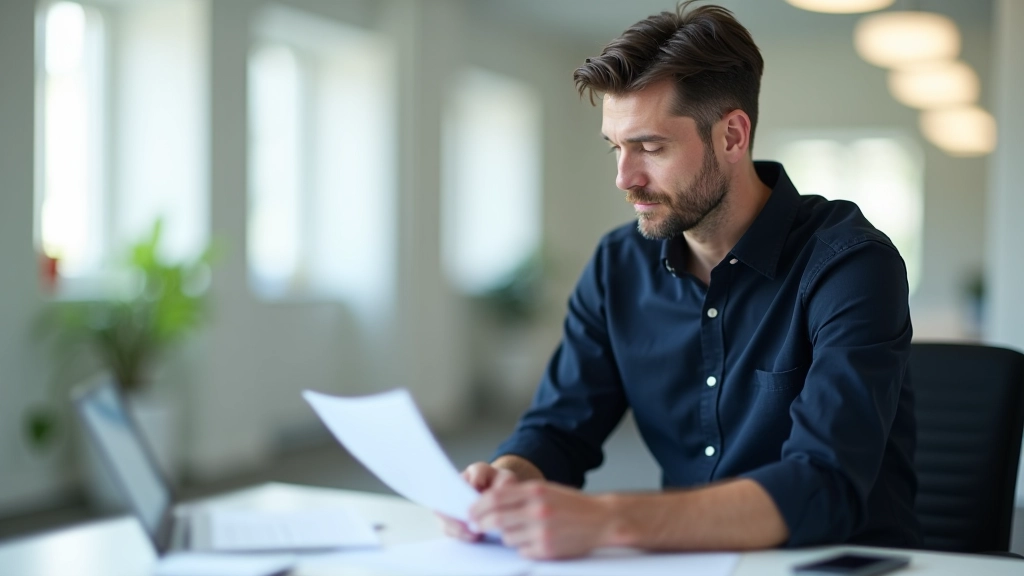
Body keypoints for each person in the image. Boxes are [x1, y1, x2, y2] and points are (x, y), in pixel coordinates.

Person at [441, 1, 918, 560]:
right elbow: (558, 427)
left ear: (732, 137)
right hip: (689, 559)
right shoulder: (618, 265)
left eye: (650, 147)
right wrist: (506, 478)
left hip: (835, 563)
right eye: (616, 147)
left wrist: (608, 519)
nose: (625, 178)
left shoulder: (850, 263)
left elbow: (824, 485)